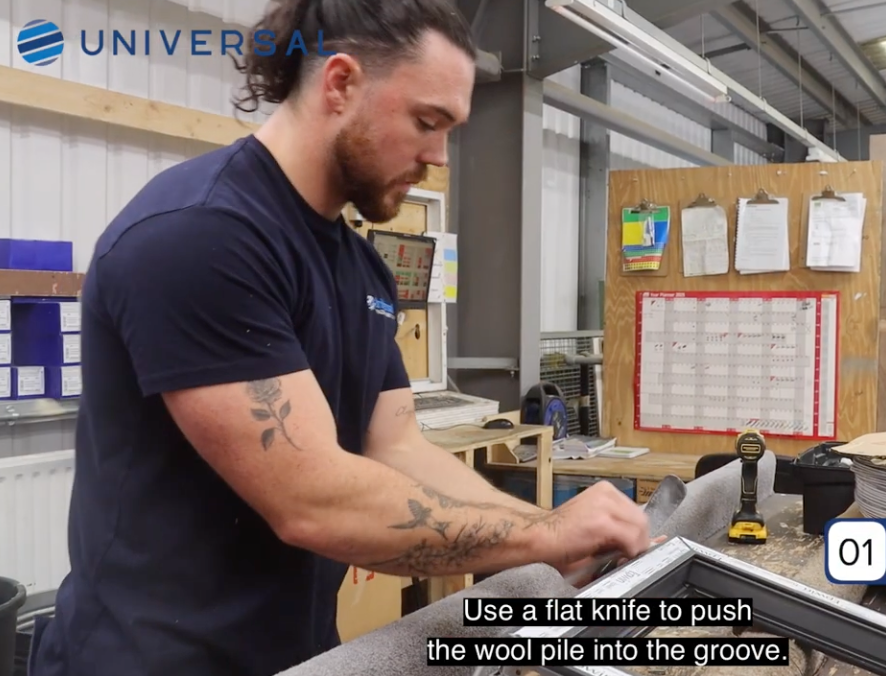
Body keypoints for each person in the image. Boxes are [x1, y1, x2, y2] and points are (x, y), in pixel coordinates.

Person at [30, 2, 651, 675]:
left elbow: (398, 448)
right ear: (340, 83)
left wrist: (552, 537)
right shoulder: (203, 236)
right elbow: (311, 500)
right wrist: (546, 534)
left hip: (295, 656)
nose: (438, 156)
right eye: (426, 122)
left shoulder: (361, 267)